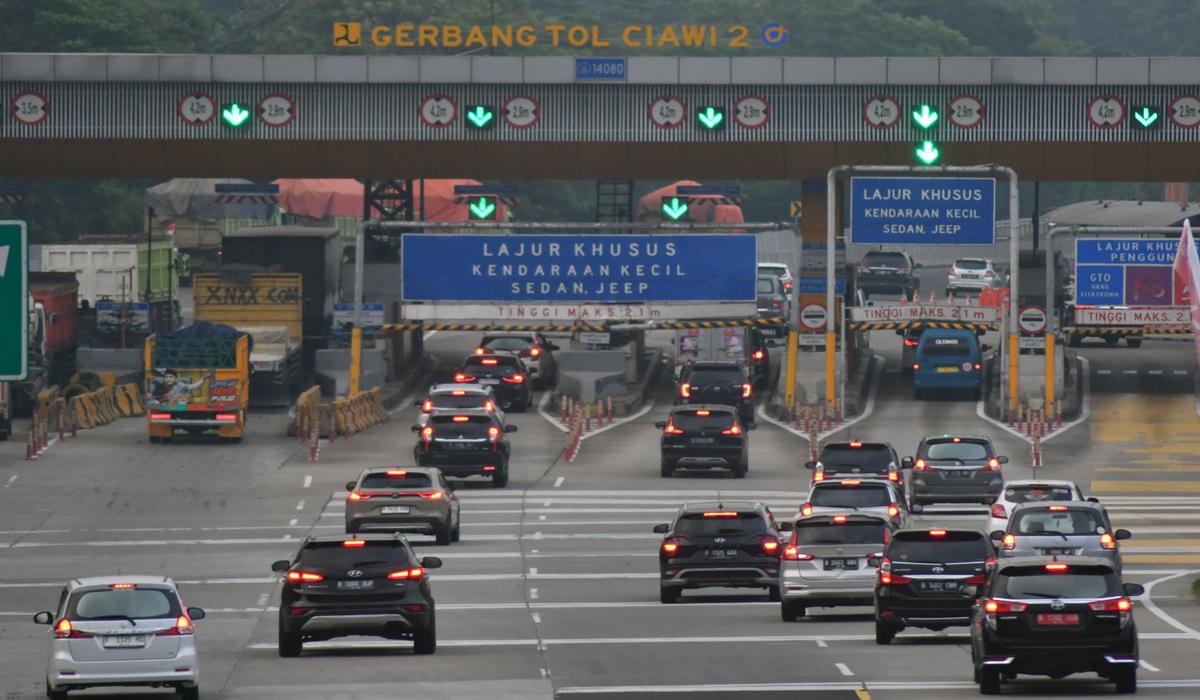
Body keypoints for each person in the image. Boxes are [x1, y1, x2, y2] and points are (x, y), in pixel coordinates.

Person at [148, 368, 212, 403]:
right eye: (166, 377)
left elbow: (195, 386)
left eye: (171, 377)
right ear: (164, 379)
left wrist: (203, 379)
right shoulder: (159, 387)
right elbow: (154, 398)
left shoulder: (180, 385)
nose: (168, 379)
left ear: (175, 378)